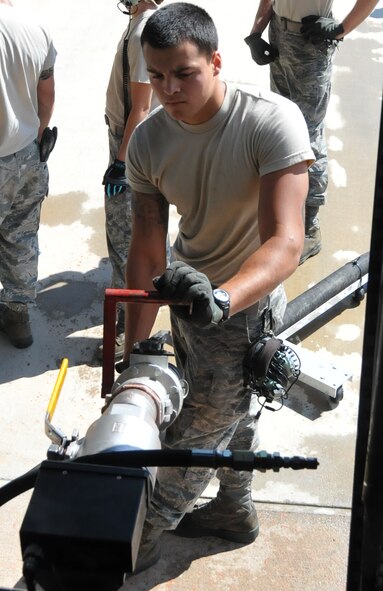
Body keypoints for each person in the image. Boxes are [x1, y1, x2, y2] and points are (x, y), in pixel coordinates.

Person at [120, 2, 314, 572]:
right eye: (156, 76)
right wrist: (135, 352)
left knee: (189, 440)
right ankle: (234, 510)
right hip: (187, 292)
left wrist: (224, 299)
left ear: (216, 61)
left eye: (185, 73)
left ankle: (137, 544)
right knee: (236, 413)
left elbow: (286, 241)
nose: (169, 89)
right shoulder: (148, 143)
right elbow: (147, 247)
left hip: (245, 307)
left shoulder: (271, 120)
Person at [245, 0, 379, 264]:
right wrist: (256, 32)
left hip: (312, 39)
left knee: (308, 134)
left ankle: (310, 226)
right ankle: (283, 211)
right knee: (282, 125)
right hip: (278, 34)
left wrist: (341, 29)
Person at [98, 0, 164, 361]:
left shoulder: (143, 29)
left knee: (125, 236)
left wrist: (121, 163)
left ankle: (127, 327)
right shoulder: (141, 22)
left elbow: (141, 105)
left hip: (131, 142)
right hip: (128, 137)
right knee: (132, 233)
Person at [0, 0, 57, 348]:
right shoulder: (35, 26)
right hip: (26, 156)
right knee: (20, 239)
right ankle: (18, 317)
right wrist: (36, 137)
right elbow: (46, 94)